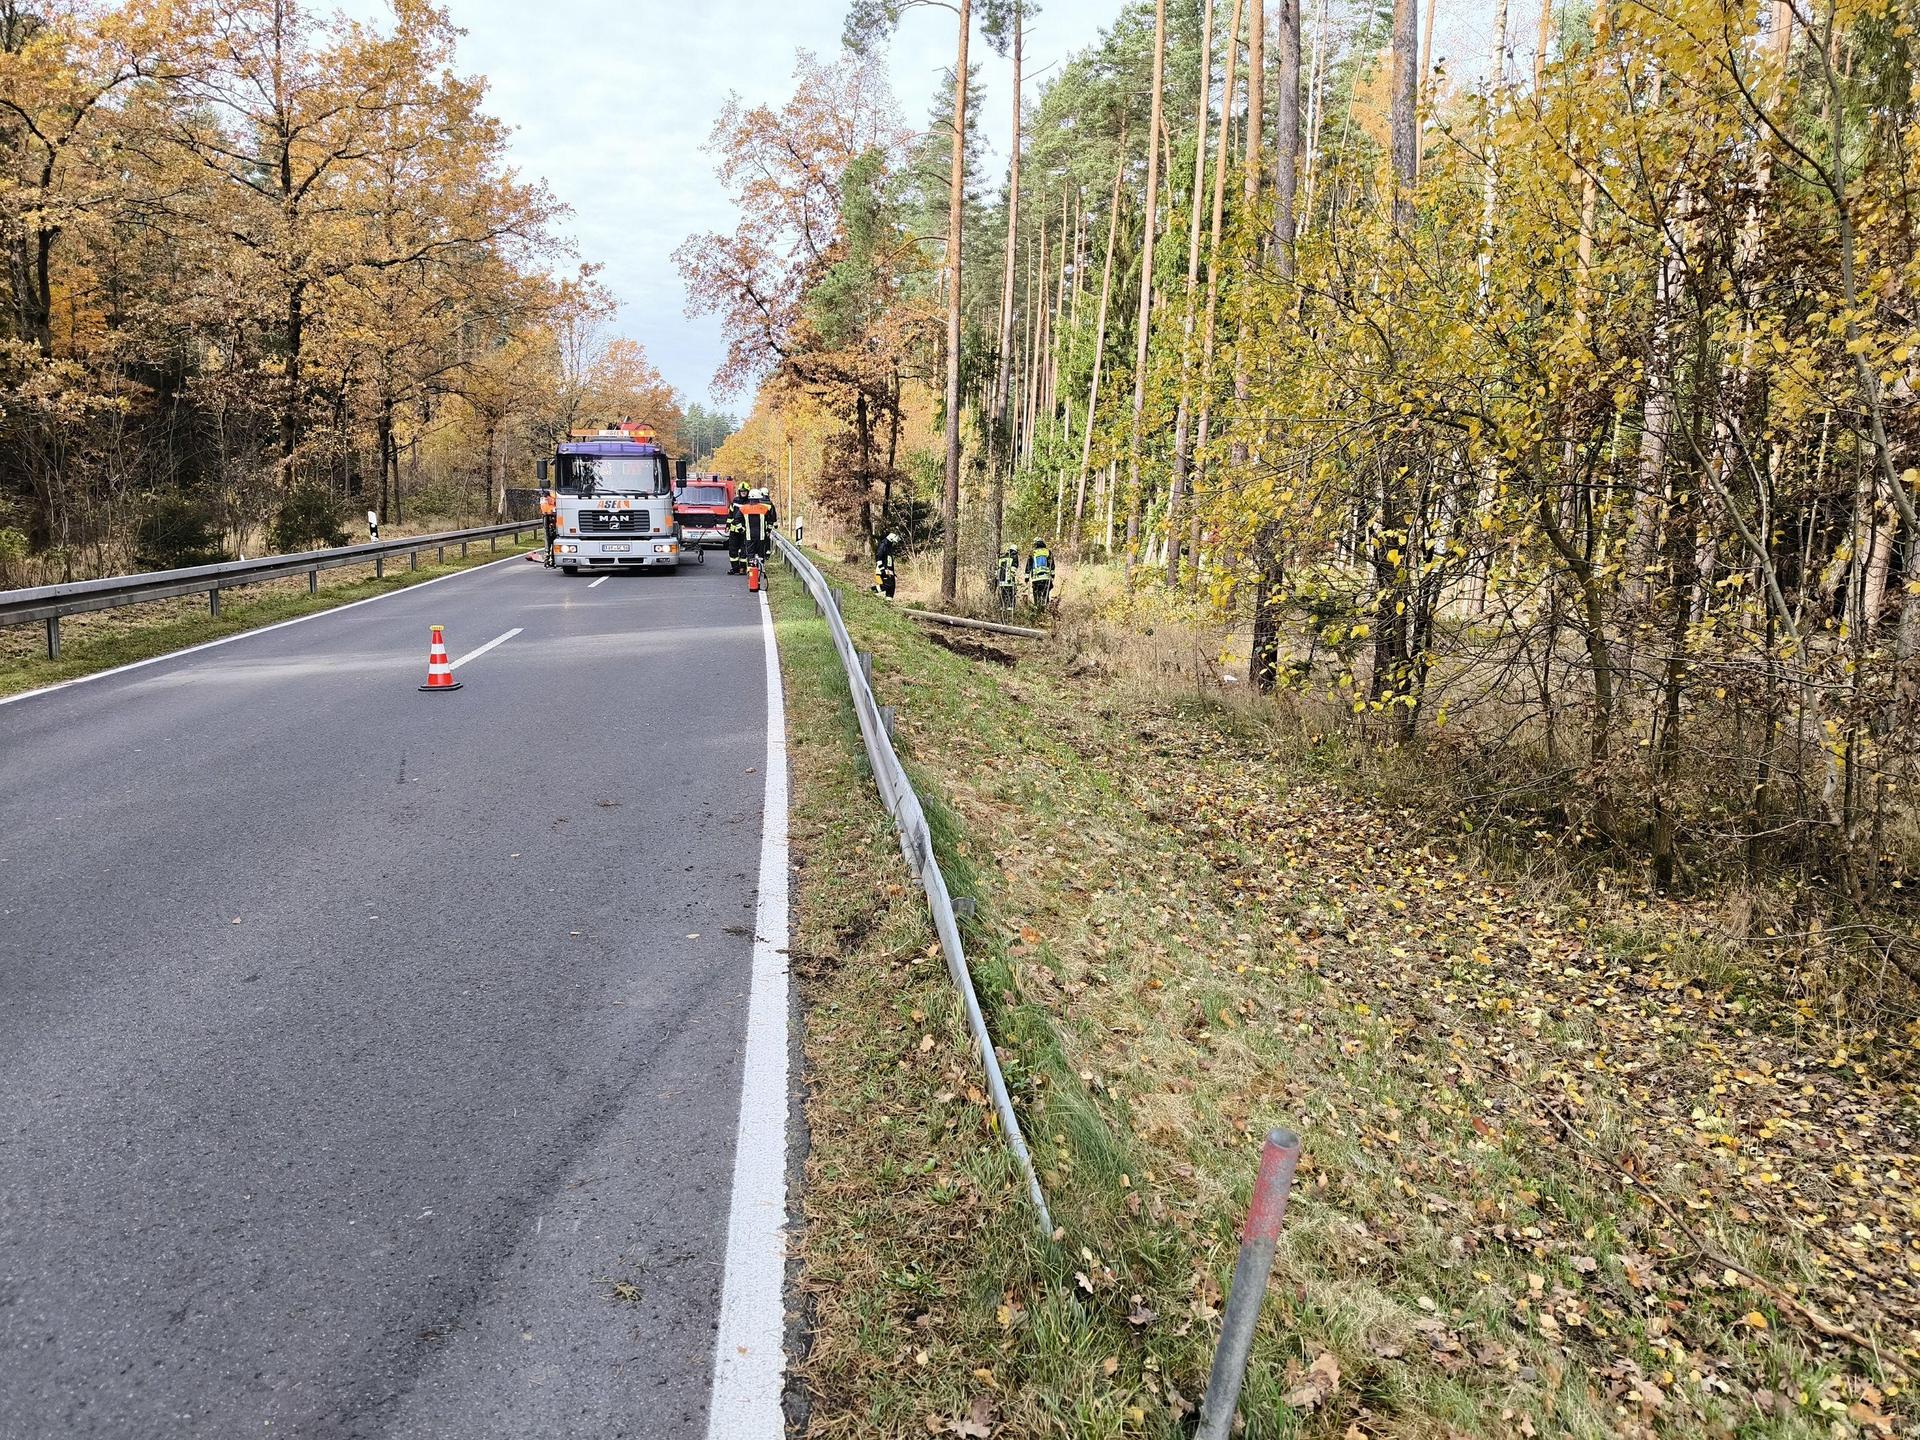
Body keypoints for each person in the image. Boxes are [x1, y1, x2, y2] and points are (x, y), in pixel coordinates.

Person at [740, 488, 778, 571]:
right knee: (761, 555)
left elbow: (737, 520)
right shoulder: (764, 508)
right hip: (761, 536)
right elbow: (771, 520)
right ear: (759, 498)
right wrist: (768, 530)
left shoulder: (743, 508)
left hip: (749, 536)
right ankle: (761, 570)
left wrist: (741, 529)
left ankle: (751, 572)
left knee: (750, 555)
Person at [1026, 537, 1056, 610]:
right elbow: (1052, 565)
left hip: (1036, 579)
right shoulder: (1048, 551)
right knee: (1045, 595)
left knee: (1037, 596)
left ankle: (1037, 610)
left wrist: (1026, 578)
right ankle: (1045, 610)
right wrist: (1052, 575)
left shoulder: (1032, 553)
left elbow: (1028, 566)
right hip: (1046, 578)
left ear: (1035, 544)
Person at [725, 487, 748, 574]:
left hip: (745, 530)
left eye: (745, 491)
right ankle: (735, 568)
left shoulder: (749, 502)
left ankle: (743, 568)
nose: (743, 493)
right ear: (739, 492)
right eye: (742, 491)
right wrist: (728, 525)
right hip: (734, 530)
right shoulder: (735, 501)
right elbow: (730, 514)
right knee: (732, 550)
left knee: (744, 550)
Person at [873, 529, 900, 599]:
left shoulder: (889, 547)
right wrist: (882, 570)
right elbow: (878, 558)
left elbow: (889, 561)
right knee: (888, 584)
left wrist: (893, 573)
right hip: (883, 570)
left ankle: (888, 602)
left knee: (892, 587)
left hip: (889, 571)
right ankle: (871, 591)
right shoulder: (883, 545)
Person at [995, 543, 1020, 611]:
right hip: (1009, 581)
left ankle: (1002, 608)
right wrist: (1012, 579)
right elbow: (1013, 569)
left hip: (1001, 581)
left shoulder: (1001, 558)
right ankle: (1010, 608)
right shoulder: (1014, 557)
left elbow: (997, 570)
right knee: (1011, 595)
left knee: (1003, 595)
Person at [538, 488, 558, 566]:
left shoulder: (551, 497)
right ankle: (550, 558)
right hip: (550, 518)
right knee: (550, 538)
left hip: (551, 518)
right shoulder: (550, 498)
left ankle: (550, 558)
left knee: (551, 538)